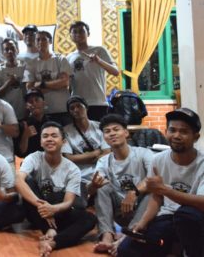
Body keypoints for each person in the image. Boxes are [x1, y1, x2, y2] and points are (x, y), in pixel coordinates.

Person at [118, 108, 204, 257]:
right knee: (126, 250)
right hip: (167, 217)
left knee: (185, 215)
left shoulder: (202, 163)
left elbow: (202, 203)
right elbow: (156, 197)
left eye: (184, 131)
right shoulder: (158, 159)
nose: (176, 135)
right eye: (172, 130)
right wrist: (142, 222)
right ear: (166, 132)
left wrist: (165, 190)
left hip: (196, 218)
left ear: (196, 137)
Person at [15, 122, 97, 257]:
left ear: (63, 142)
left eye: (54, 136)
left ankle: (53, 242)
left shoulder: (73, 170)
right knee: (27, 181)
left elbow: (68, 202)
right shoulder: (34, 157)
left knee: (90, 218)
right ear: (41, 142)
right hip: (38, 213)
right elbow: (18, 179)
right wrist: (42, 206)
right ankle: (49, 229)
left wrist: (52, 209)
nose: (49, 139)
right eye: (45, 136)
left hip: (59, 212)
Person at [90, 114, 153, 254]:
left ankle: (128, 235)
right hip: (121, 212)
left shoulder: (144, 153)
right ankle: (107, 236)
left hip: (143, 211)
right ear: (104, 138)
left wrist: (134, 192)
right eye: (107, 131)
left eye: (116, 129)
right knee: (102, 187)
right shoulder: (103, 161)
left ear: (126, 133)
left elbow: (153, 178)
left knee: (154, 192)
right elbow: (93, 188)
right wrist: (93, 186)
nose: (112, 133)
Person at [66, 21, 119, 122]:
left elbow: (115, 72)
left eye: (81, 31)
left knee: (98, 131)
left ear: (88, 33)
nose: (78, 34)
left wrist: (99, 61)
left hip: (98, 102)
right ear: (70, 36)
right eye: (74, 32)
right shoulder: (68, 57)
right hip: (77, 104)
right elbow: (69, 84)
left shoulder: (99, 50)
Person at [24, 30, 72, 126]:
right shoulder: (31, 64)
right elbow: (30, 87)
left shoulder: (61, 59)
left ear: (50, 41)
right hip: (43, 113)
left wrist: (41, 84)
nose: (40, 42)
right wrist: (56, 84)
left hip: (63, 110)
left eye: (44, 39)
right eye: (38, 40)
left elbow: (65, 83)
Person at [61, 96, 110, 189]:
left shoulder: (100, 126)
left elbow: (107, 153)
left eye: (79, 106)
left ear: (86, 108)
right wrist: (96, 153)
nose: (76, 110)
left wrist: (82, 158)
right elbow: (69, 158)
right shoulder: (65, 131)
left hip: (102, 172)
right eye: (72, 108)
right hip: (80, 175)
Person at [0, 38, 26, 122]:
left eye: (12, 48)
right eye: (6, 49)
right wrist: (9, 82)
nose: (10, 51)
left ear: (17, 50)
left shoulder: (24, 67)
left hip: (24, 113)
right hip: (6, 115)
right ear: (3, 52)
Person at [15, 89, 48, 158]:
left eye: (37, 100)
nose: (34, 103)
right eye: (30, 101)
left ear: (44, 103)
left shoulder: (53, 122)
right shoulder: (22, 124)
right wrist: (25, 136)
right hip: (30, 161)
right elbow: (21, 152)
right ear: (27, 106)